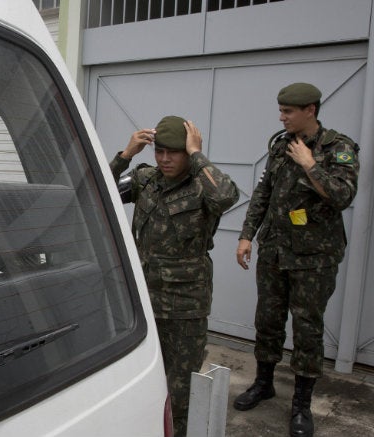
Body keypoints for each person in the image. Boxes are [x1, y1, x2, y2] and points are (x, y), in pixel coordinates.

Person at [234, 83, 360, 437]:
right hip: (274, 250)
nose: (281, 116)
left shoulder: (339, 148)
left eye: (288, 111)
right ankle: (264, 383)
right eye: (280, 110)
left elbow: (342, 195)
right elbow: (263, 193)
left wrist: (310, 165)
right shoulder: (279, 146)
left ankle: (302, 405)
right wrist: (246, 235)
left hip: (313, 258)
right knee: (268, 320)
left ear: (310, 110)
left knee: (307, 328)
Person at [110, 116, 239, 437]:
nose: (165, 159)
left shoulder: (202, 186)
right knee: (142, 379)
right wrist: (126, 154)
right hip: (142, 300)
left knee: (181, 390)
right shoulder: (146, 180)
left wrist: (197, 156)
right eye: (160, 152)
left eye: (175, 153)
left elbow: (226, 197)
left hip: (185, 306)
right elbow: (98, 191)